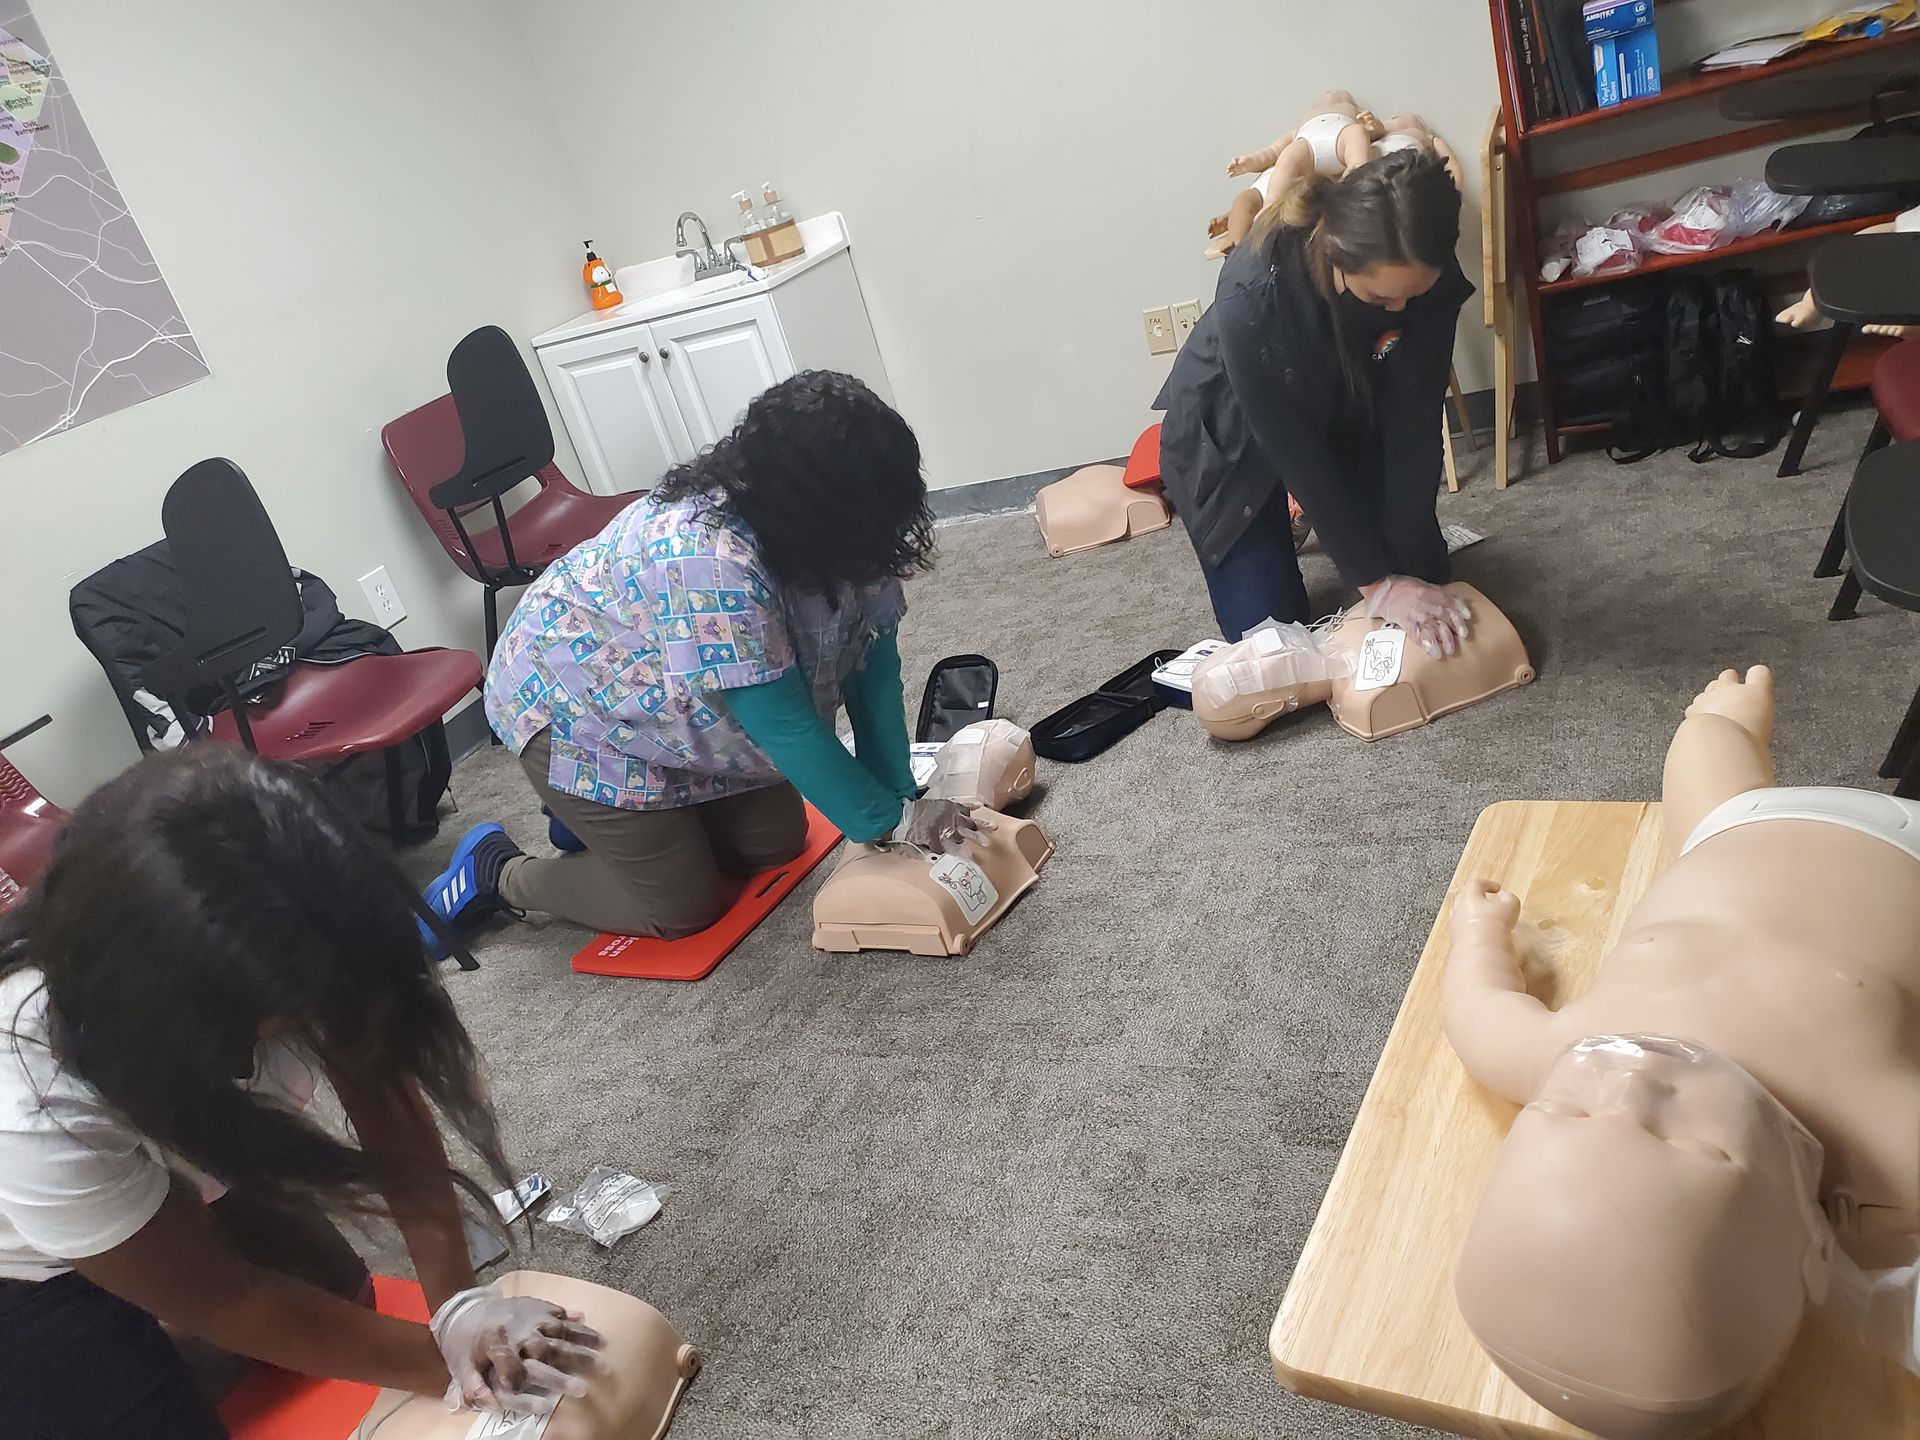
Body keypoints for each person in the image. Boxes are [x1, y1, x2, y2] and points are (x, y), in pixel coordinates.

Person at [0, 746, 603, 1437]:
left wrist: (456, 1311)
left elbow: (383, 1097)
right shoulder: (29, 1099)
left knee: (337, 1294)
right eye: (281, 1025)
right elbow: (230, 1300)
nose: (310, 1034)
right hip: (19, 1271)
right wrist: (456, 1374)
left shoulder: (290, 914)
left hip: (171, 1152)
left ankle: (143, 1262)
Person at [422, 369, 978, 948]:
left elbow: (874, 668)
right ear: (813, 505)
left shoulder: (853, 519)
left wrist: (901, 796)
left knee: (776, 845)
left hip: (679, 713)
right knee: (683, 908)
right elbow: (781, 723)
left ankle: (604, 826)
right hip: (579, 711)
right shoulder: (706, 556)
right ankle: (501, 873)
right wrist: (888, 822)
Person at [1158, 148, 1477, 653]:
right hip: (1236, 437)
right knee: (1272, 634)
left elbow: (1415, 424)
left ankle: (1332, 516)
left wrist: (1409, 564)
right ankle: (1294, 512)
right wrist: (1379, 585)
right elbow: (1294, 450)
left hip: (1344, 408)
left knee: (1426, 571)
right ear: (1336, 257)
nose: (1401, 309)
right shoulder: (1253, 291)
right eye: (1380, 299)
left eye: (1414, 296)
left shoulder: (1423, 264)